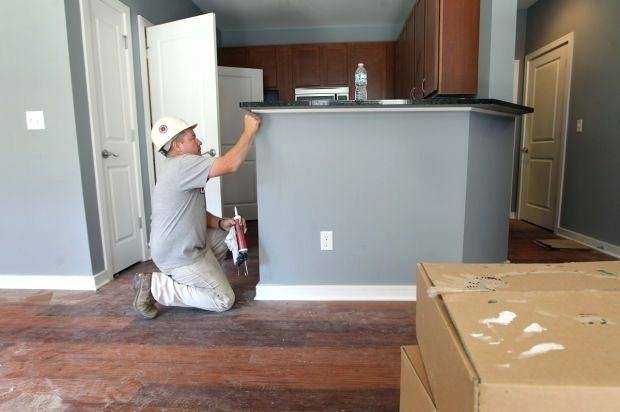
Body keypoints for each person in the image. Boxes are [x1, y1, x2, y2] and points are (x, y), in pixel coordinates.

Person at [132, 113, 261, 319]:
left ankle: (190, 280)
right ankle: (156, 286)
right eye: (193, 138)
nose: (199, 141)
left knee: (223, 237)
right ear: (177, 146)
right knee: (223, 300)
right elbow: (231, 164)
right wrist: (249, 131)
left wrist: (220, 223)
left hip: (183, 245)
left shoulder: (179, 167)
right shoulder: (183, 164)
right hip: (177, 254)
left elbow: (192, 210)